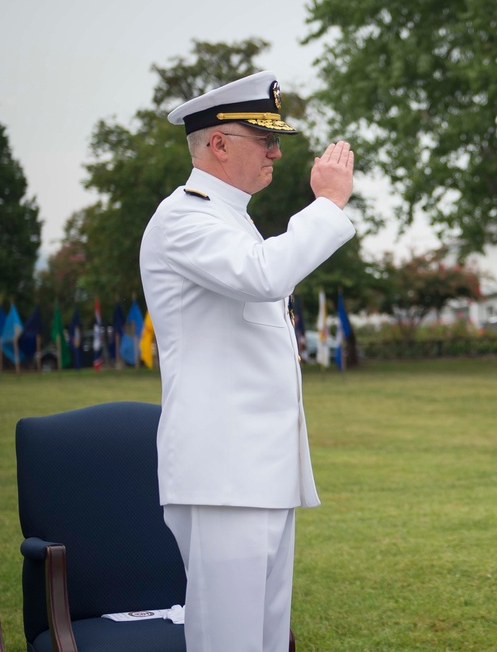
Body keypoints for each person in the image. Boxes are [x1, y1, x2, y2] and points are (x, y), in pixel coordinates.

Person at [139, 71, 356, 652]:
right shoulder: (185, 217)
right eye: (265, 139)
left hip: (257, 469)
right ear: (218, 144)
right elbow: (264, 276)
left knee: (262, 638)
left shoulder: (230, 218)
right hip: (221, 471)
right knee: (227, 640)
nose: (277, 152)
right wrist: (329, 204)